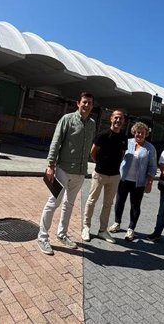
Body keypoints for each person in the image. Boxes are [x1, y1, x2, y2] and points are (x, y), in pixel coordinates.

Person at [37, 92, 96, 256]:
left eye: (90, 103)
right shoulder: (67, 119)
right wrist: (50, 164)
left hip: (80, 172)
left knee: (69, 205)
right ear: (78, 103)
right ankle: (42, 237)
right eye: (84, 102)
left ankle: (62, 234)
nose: (87, 105)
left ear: (92, 106)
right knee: (53, 202)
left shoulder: (92, 124)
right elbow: (56, 142)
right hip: (62, 169)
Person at [81, 110, 127, 244]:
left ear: (123, 121)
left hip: (114, 176)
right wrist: (100, 164)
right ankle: (86, 227)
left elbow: (122, 155)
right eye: (116, 118)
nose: (118, 120)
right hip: (100, 174)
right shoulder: (102, 135)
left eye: (121, 118)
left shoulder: (124, 138)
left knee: (108, 204)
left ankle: (102, 230)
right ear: (111, 119)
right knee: (91, 201)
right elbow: (93, 152)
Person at [109, 122, 157, 241]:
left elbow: (152, 167)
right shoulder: (128, 142)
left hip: (138, 182)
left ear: (146, 134)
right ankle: (117, 223)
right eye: (137, 132)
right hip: (123, 179)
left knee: (135, 206)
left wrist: (149, 182)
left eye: (142, 133)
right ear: (134, 133)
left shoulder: (150, 148)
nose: (139, 134)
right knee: (119, 202)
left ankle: (131, 229)